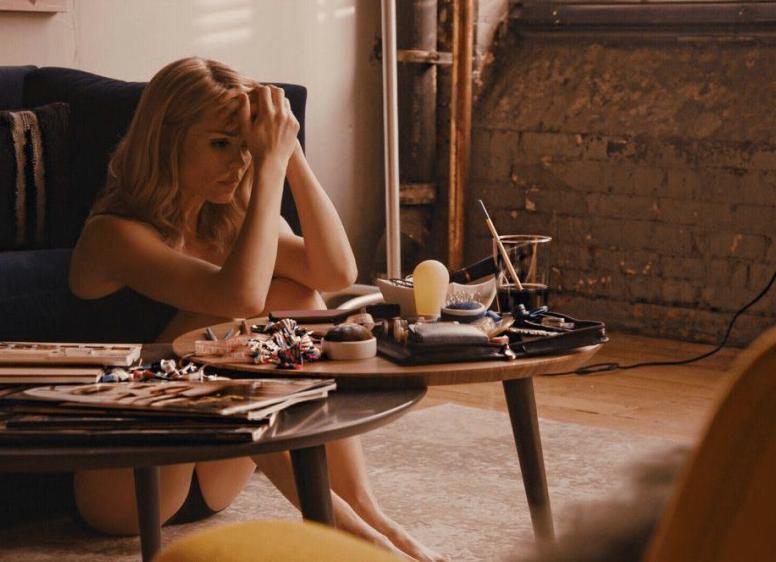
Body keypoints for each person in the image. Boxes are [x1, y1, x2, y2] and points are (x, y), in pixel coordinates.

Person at [68, 57, 447, 562]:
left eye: (246, 146)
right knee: (228, 328)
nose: (240, 162)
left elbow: (335, 272)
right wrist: (268, 168)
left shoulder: (228, 228)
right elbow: (240, 299)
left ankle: (368, 515)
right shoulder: (113, 235)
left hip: (215, 473)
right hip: (126, 477)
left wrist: (289, 154)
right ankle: (353, 536)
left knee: (296, 300)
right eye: (221, 144)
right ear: (167, 140)